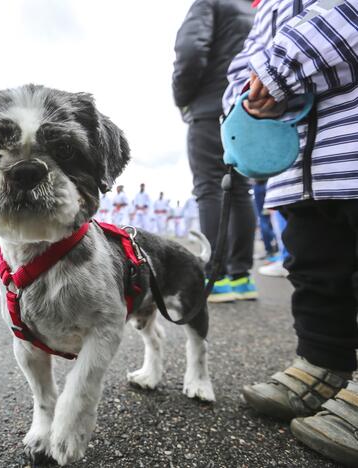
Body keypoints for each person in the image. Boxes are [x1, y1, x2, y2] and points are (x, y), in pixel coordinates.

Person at [224, 1, 358, 464]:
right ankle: (324, 362)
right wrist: (245, 97)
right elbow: (245, 62)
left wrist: (278, 71)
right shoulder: (265, 7)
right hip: (300, 166)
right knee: (315, 265)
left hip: (349, 144)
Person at [173, 0, 258, 302]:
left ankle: (215, 276)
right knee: (240, 189)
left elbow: (190, 49)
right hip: (247, 106)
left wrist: (183, 98)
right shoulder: (254, 10)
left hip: (210, 105)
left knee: (210, 187)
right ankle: (242, 277)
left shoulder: (210, 3)